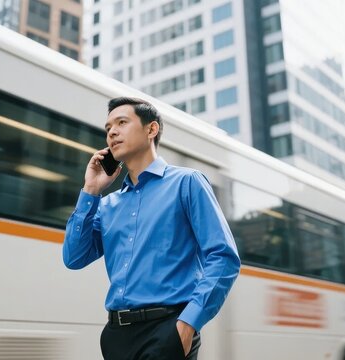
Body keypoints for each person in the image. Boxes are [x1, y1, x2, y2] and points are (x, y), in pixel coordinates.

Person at [63, 97, 240, 360]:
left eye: (122, 122)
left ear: (151, 130)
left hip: (167, 330)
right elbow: (74, 258)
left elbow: (223, 258)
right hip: (116, 335)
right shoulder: (108, 204)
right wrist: (91, 190)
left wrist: (188, 324)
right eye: (108, 127)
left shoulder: (187, 183)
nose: (112, 131)